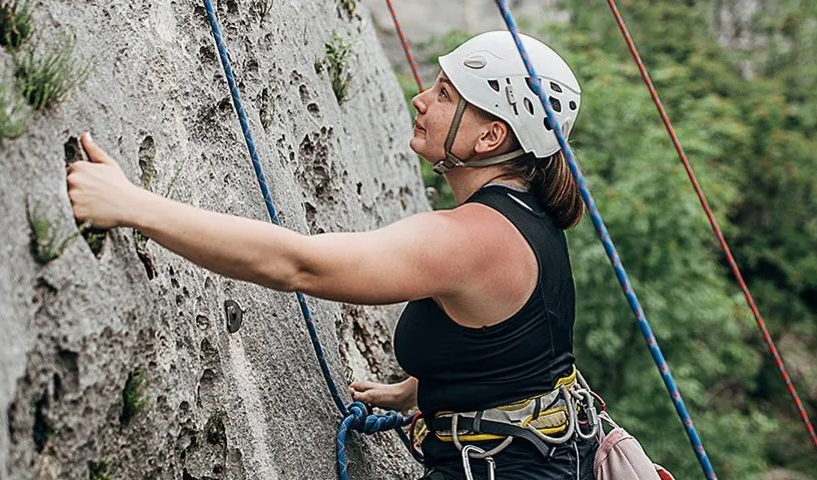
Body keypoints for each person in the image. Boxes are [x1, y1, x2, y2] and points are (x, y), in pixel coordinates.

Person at [66, 31, 598, 479]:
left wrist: (134, 206)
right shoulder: (528, 217)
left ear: (490, 137)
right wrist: (417, 389)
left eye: (445, 95)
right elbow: (519, 344)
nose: (421, 100)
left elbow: (299, 265)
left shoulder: (473, 237)